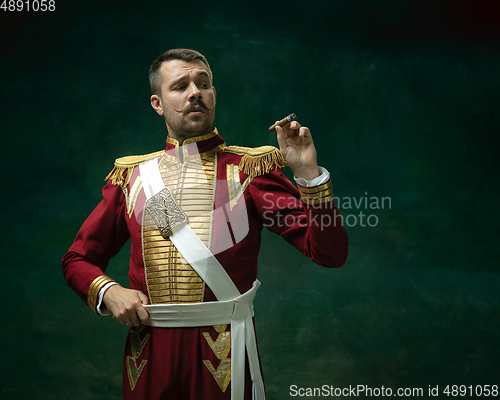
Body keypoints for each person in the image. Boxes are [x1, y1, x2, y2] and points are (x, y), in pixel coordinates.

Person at [62, 48, 348, 400]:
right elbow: (77, 259)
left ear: (213, 95)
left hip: (224, 354)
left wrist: (309, 175)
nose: (195, 91)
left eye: (203, 83)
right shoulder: (131, 178)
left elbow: (330, 254)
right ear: (157, 103)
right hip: (148, 356)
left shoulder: (250, 170)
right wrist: (109, 291)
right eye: (180, 85)